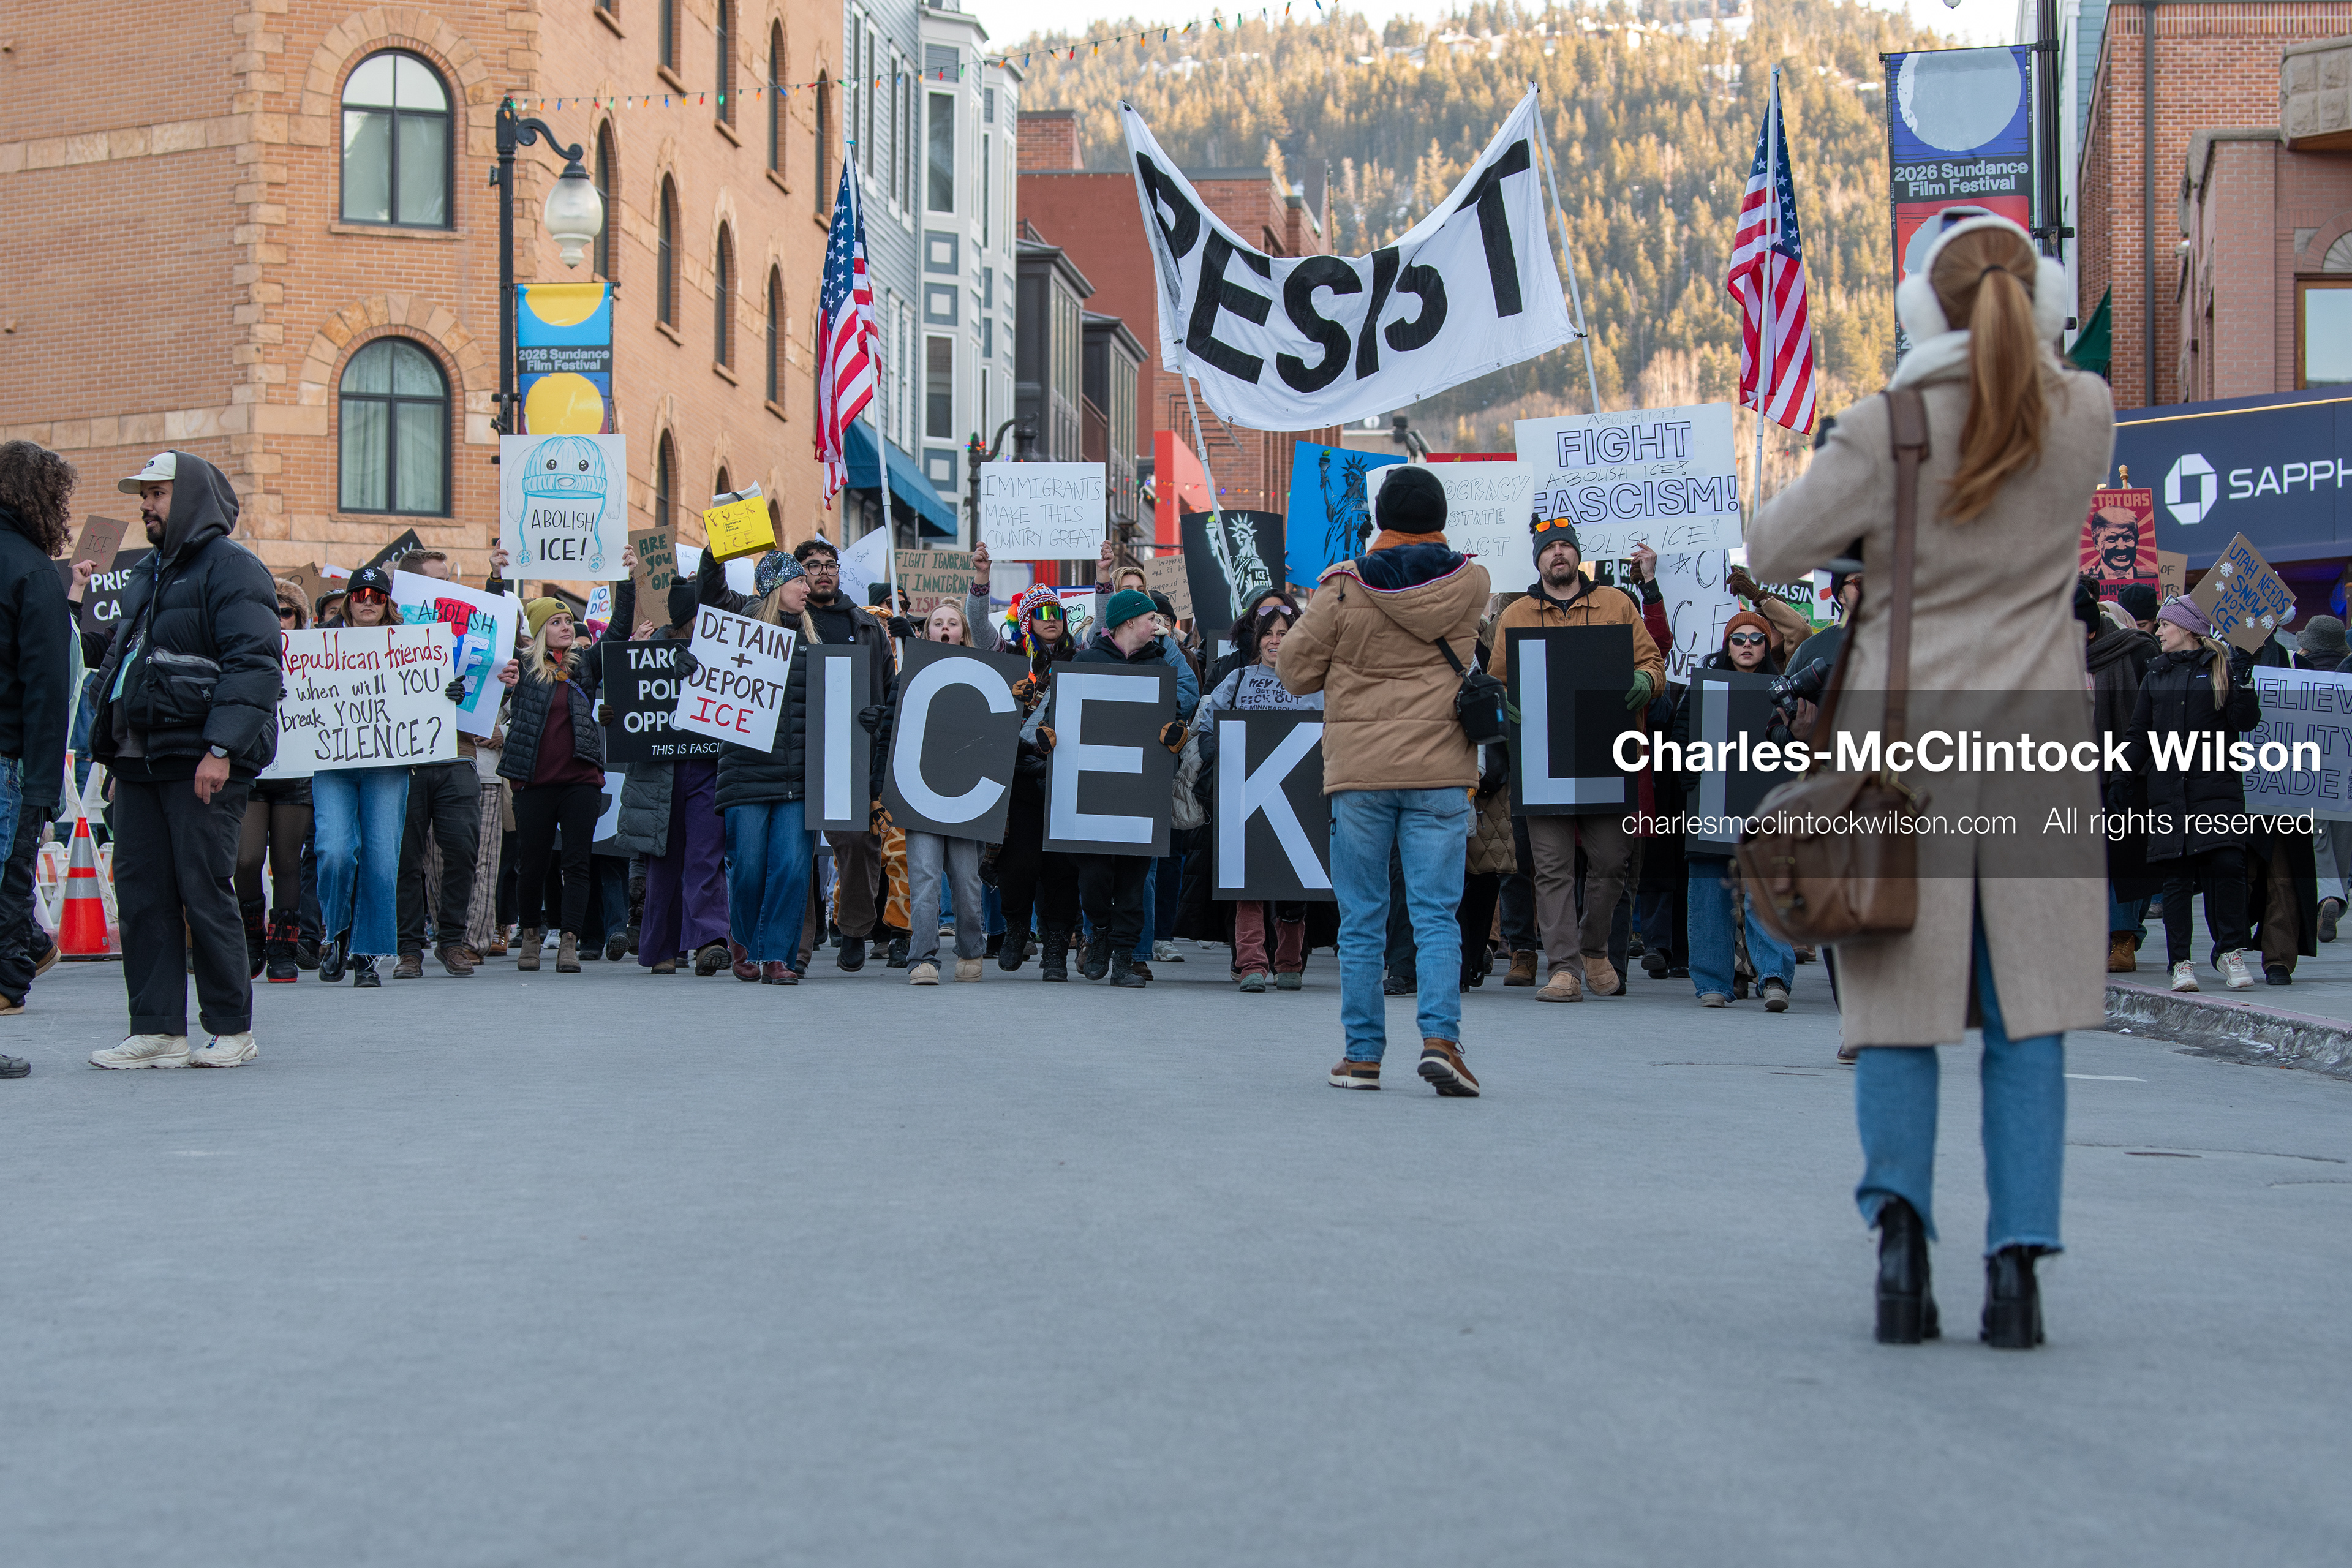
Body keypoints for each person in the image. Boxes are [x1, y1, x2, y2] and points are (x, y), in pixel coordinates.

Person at [1751, 213, 2114, 1348]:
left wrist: (1874, 538)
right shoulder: (2085, 415)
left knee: (1899, 1013)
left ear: (1922, 315)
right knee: (2031, 1017)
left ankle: (1901, 1255)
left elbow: (1770, 552)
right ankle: (2020, 1274)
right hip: (2041, 744)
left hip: (1902, 752)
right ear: (2043, 300)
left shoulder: (1886, 428)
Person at [1280, 463, 1488, 1095]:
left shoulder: (1343, 588)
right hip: (1441, 770)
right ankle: (1441, 1040)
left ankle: (1363, 1055)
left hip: (1361, 773)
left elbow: (1292, 672)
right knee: (1435, 916)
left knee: (1362, 918)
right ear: (1441, 520)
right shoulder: (1471, 582)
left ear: (1381, 521)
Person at [86, 450, 284, 1069]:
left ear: (192, 495)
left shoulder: (234, 568)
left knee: (205, 891)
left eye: (158, 493)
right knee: (143, 896)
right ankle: (157, 1030)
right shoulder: (149, 572)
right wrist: (116, 760)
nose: (145, 504)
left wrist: (221, 747)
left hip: (202, 759)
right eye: (142, 495)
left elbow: (254, 665)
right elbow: (125, 667)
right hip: (141, 763)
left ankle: (232, 1030)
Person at [1488, 516, 1665, 1002]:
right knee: (1551, 867)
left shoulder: (1616, 603)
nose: (1558, 554)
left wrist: (1647, 681)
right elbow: (1495, 679)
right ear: (1538, 559)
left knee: (1612, 861)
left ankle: (1594, 948)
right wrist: (1502, 701)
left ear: (1577, 556)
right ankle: (1563, 968)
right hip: (1541, 758)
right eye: (1549, 548)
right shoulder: (1516, 614)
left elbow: (1652, 662)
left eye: (1565, 546)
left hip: (1606, 753)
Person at [1036, 589, 1180, 988]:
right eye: (1151, 619)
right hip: (1091, 793)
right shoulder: (1086, 662)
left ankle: (1123, 959)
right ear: (1129, 622)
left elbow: (1175, 718)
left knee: (1134, 881)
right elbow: (1056, 715)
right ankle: (1098, 929)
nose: (1158, 626)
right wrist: (1048, 735)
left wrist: (1175, 734)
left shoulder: (1161, 664)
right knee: (1095, 877)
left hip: (1139, 791)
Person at [2122, 596, 2261, 993]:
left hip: (2216, 787)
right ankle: (2180, 963)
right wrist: (2123, 776)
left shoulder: (2221, 669)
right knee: (2177, 878)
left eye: (2165, 625)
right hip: (2169, 791)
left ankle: (2230, 952)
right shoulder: (2156, 674)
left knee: (2229, 867)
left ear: (2185, 628)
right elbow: (2139, 733)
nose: (2159, 632)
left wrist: (2244, 682)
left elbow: (2244, 722)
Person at [698, 546, 816, 984]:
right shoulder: (737, 633)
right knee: (747, 866)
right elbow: (709, 591)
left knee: (792, 867)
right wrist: (716, 551)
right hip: (746, 774)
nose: (808, 588)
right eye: (798, 581)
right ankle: (744, 940)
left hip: (800, 778)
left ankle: (776, 957)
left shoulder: (812, 641)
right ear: (773, 587)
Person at [1191, 598, 1322, 990]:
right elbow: (1205, 723)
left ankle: (1289, 963)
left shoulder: (1315, 683)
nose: (1276, 640)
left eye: (1284, 633)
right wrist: (1214, 745)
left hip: (1298, 797)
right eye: (1269, 633)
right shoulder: (1238, 680)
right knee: (1248, 881)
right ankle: (1251, 964)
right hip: (1245, 794)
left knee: (1295, 885)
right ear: (1257, 639)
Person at [1670, 611, 1796, 1011]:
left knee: (1765, 888)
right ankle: (1713, 982)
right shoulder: (1701, 688)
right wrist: (1686, 767)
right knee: (1708, 890)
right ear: (1727, 645)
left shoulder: (1785, 690)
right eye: (1738, 638)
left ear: (1767, 645)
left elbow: (1797, 745)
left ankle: (1774, 977)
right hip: (1711, 803)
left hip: (1765, 809)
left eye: (1756, 639)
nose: (1746, 645)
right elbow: (1681, 737)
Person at [0, 442, 81, 1055]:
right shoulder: (32, 572)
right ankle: (11, 973)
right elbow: (49, 690)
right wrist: (42, 785)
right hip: (11, 756)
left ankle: (21, 955)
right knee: (8, 879)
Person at [611, 582, 729, 976]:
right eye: (702, 619)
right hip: (658, 775)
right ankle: (662, 948)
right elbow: (620, 705)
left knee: (705, 856)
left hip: (708, 769)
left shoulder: (725, 654)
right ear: (685, 623)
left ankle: (708, 943)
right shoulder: (642, 657)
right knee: (662, 862)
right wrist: (610, 713)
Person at [308, 566, 418, 989]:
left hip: (387, 764)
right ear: (348, 601)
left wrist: (449, 694)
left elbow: (428, 690)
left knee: (380, 858)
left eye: (377, 594)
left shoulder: (413, 647)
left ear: (388, 603)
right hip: (334, 761)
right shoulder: (317, 645)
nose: (368, 600)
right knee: (334, 850)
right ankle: (335, 933)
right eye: (359, 594)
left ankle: (367, 952)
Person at [870, 600, 990, 984]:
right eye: (937, 622)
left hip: (966, 798)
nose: (945, 628)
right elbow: (888, 736)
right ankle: (922, 959)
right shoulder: (908, 677)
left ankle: (971, 949)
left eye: (952, 623)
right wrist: (877, 791)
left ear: (963, 633)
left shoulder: (985, 677)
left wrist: (1016, 700)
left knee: (968, 884)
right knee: (923, 878)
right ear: (926, 632)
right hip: (920, 795)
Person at [390, 547, 497, 978]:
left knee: (462, 848)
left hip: (458, 756)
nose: (449, 589)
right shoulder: (390, 633)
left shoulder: (464, 626)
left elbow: (496, 660)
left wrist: (498, 678)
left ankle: (451, 940)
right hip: (410, 760)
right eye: (440, 581)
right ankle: (409, 948)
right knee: (407, 857)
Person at [792, 537, 897, 970]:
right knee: (793, 852)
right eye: (813, 566)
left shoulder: (868, 627)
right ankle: (797, 948)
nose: (823, 571)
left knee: (859, 843)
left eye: (830, 564)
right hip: (797, 750)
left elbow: (893, 692)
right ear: (799, 576)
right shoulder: (785, 623)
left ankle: (854, 930)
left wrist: (879, 714)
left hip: (851, 752)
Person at [496, 595, 609, 974]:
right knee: (533, 864)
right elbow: (494, 626)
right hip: (534, 782)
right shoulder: (522, 668)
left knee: (577, 863)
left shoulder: (584, 665)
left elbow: (620, 629)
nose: (566, 627)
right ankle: (530, 936)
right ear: (541, 629)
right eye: (557, 621)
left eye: (568, 620)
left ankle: (569, 943)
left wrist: (626, 581)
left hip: (581, 780)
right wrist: (498, 578)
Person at [989, 583, 1082, 978]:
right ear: (1027, 620)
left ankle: (1057, 950)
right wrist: (981, 582)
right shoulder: (1010, 659)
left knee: (1062, 869)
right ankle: (1015, 929)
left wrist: (1103, 577)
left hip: (1065, 777)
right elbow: (978, 625)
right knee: (1019, 865)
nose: (1052, 621)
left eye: (1057, 613)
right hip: (1021, 778)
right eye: (1041, 614)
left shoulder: (1082, 657)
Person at [239, 581, 313, 982]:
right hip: (252, 768)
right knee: (246, 858)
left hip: (296, 769)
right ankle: (251, 937)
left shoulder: (318, 656)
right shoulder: (243, 649)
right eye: (270, 611)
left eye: (286, 613)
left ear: (299, 619)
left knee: (287, 861)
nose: (278, 620)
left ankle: (283, 944)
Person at [2086, 589, 2158, 974]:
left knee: (2123, 858)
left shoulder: (2133, 650)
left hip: (2122, 770)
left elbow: (2146, 716)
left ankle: (2122, 939)